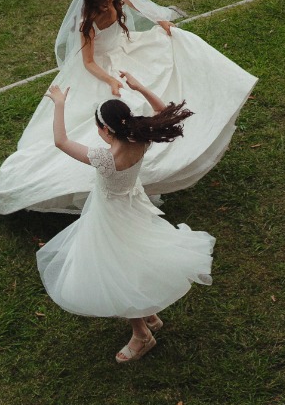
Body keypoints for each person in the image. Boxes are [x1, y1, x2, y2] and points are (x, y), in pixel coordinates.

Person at [0, 0, 256, 216]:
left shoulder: (118, 0)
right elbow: (88, 62)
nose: (109, 5)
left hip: (127, 51)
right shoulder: (87, 22)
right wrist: (109, 80)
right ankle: (114, 168)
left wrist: (161, 20)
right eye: (104, 1)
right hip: (103, 66)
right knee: (114, 108)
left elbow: (139, 6)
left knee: (174, 45)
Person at [36, 73, 214, 362]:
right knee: (133, 262)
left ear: (105, 131)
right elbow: (162, 111)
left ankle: (142, 334)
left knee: (116, 273)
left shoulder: (105, 159)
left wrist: (59, 103)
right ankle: (150, 317)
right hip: (135, 207)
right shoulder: (139, 139)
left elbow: (61, 141)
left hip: (110, 219)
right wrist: (140, 87)